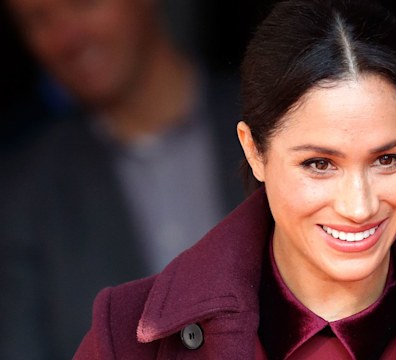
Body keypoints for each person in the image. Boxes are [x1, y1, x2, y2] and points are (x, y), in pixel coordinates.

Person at [74, 0, 396, 358]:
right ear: (254, 151)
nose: (359, 206)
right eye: (320, 164)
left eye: (387, 160)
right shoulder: (127, 336)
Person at [0, 0, 244, 358]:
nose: (67, 37)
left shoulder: (284, 126)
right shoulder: (23, 195)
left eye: (83, 5)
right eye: (38, 19)